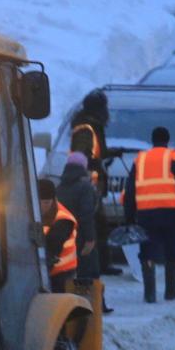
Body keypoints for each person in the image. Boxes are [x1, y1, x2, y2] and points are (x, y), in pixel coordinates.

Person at [122, 127, 175, 303]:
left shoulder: (140, 159)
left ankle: (150, 294)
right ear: (167, 140)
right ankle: (170, 291)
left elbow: (130, 190)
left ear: (152, 140)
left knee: (147, 251)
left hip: (146, 213)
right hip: (171, 212)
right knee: (173, 250)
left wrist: (129, 216)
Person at [70, 90, 121, 276]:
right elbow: (81, 154)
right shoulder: (86, 129)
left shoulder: (93, 126)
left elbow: (96, 151)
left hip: (93, 185)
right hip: (88, 185)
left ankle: (101, 264)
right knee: (92, 227)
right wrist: (94, 167)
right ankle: (92, 267)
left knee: (99, 225)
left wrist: (112, 153)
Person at [58, 152, 113, 313]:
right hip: (82, 235)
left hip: (65, 236)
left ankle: (73, 306)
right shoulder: (85, 187)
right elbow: (86, 214)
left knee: (70, 272)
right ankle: (96, 305)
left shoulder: (59, 187)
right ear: (83, 167)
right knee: (89, 270)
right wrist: (90, 238)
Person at [39, 179, 78, 294]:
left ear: (54, 200)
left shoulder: (63, 220)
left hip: (62, 275)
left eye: (46, 203)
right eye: (39, 202)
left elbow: (51, 249)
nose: (42, 207)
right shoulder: (32, 212)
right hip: (47, 271)